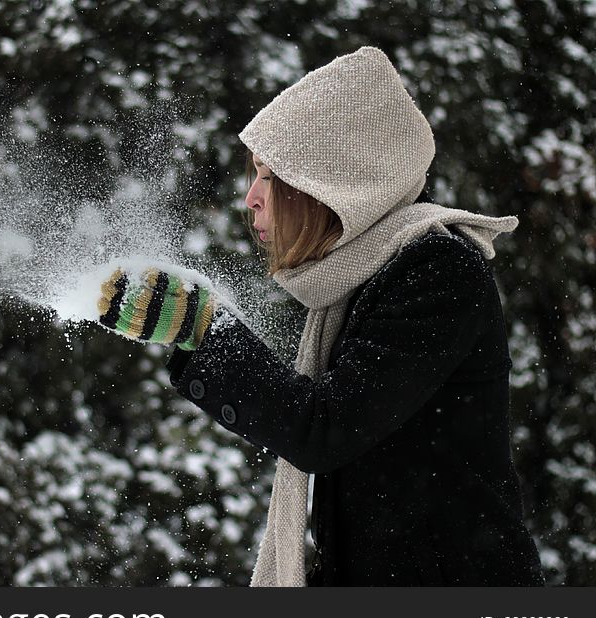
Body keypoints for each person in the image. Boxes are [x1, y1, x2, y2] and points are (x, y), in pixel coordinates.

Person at [96, 46, 544, 586]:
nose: (251, 199)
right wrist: (199, 334)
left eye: (270, 176)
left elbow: (325, 427)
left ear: (333, 182)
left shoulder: (439, 270)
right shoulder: (354, 280)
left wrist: (203, 329)